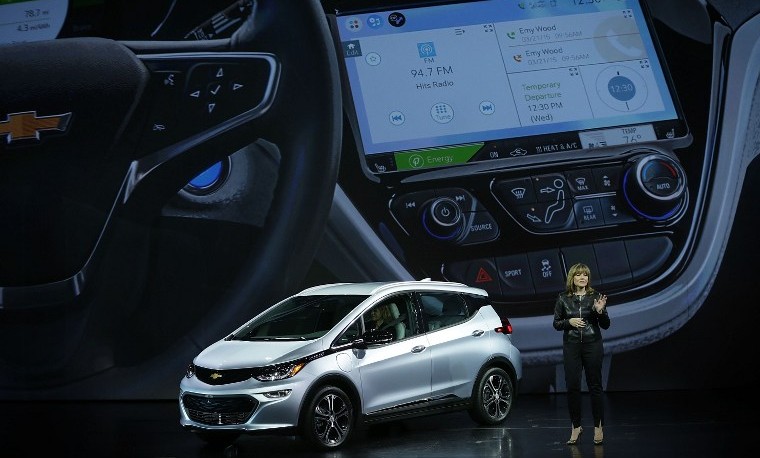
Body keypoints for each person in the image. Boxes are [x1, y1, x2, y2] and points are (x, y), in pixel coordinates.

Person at [553, 262, 610, 446]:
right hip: (572, 347)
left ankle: (598, 426)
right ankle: (576, 426)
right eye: (578, 275)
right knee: (572, 387)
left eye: (585, 274)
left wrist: (600, 312)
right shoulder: (563, 298)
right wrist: (569, 321)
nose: (582, 278)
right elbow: (556, 323)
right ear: (572, 278)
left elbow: (606, 324)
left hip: (592, 345)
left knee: (595, 386)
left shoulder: (596, 296)